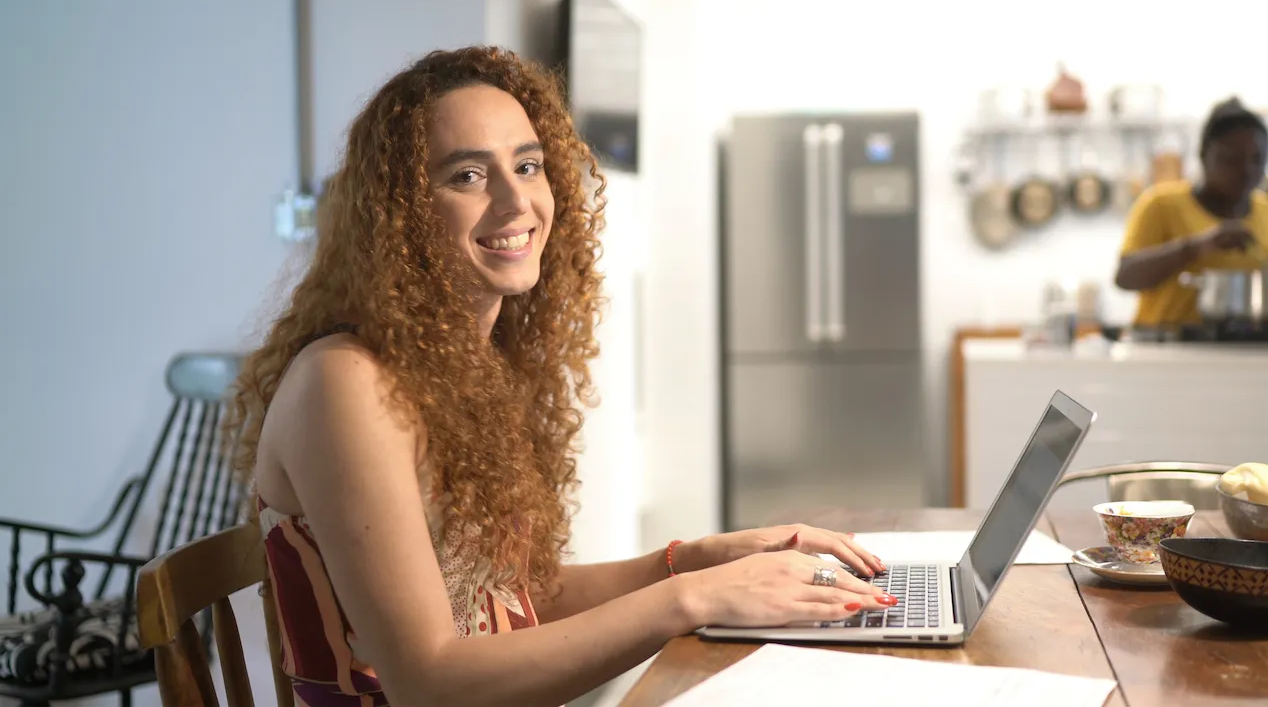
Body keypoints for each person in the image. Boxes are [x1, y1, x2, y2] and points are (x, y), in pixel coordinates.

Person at [225, 47, 896, 707]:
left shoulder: (460, 366)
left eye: (528, 165)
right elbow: (428, 681)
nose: (516, 201)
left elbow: (512, 598)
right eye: (467, 175)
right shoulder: (344, 384)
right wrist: (694, 598)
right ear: (398, 213)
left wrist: (695, 560)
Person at [1114, 97, 1268, 327]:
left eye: (1257, 159)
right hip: (1170, 354)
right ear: (1204, 155)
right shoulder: (1160, 205)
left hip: (1265, 352)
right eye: (1231, 159)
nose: (1246, 170)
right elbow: (1125, 276)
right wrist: (1198, 246)